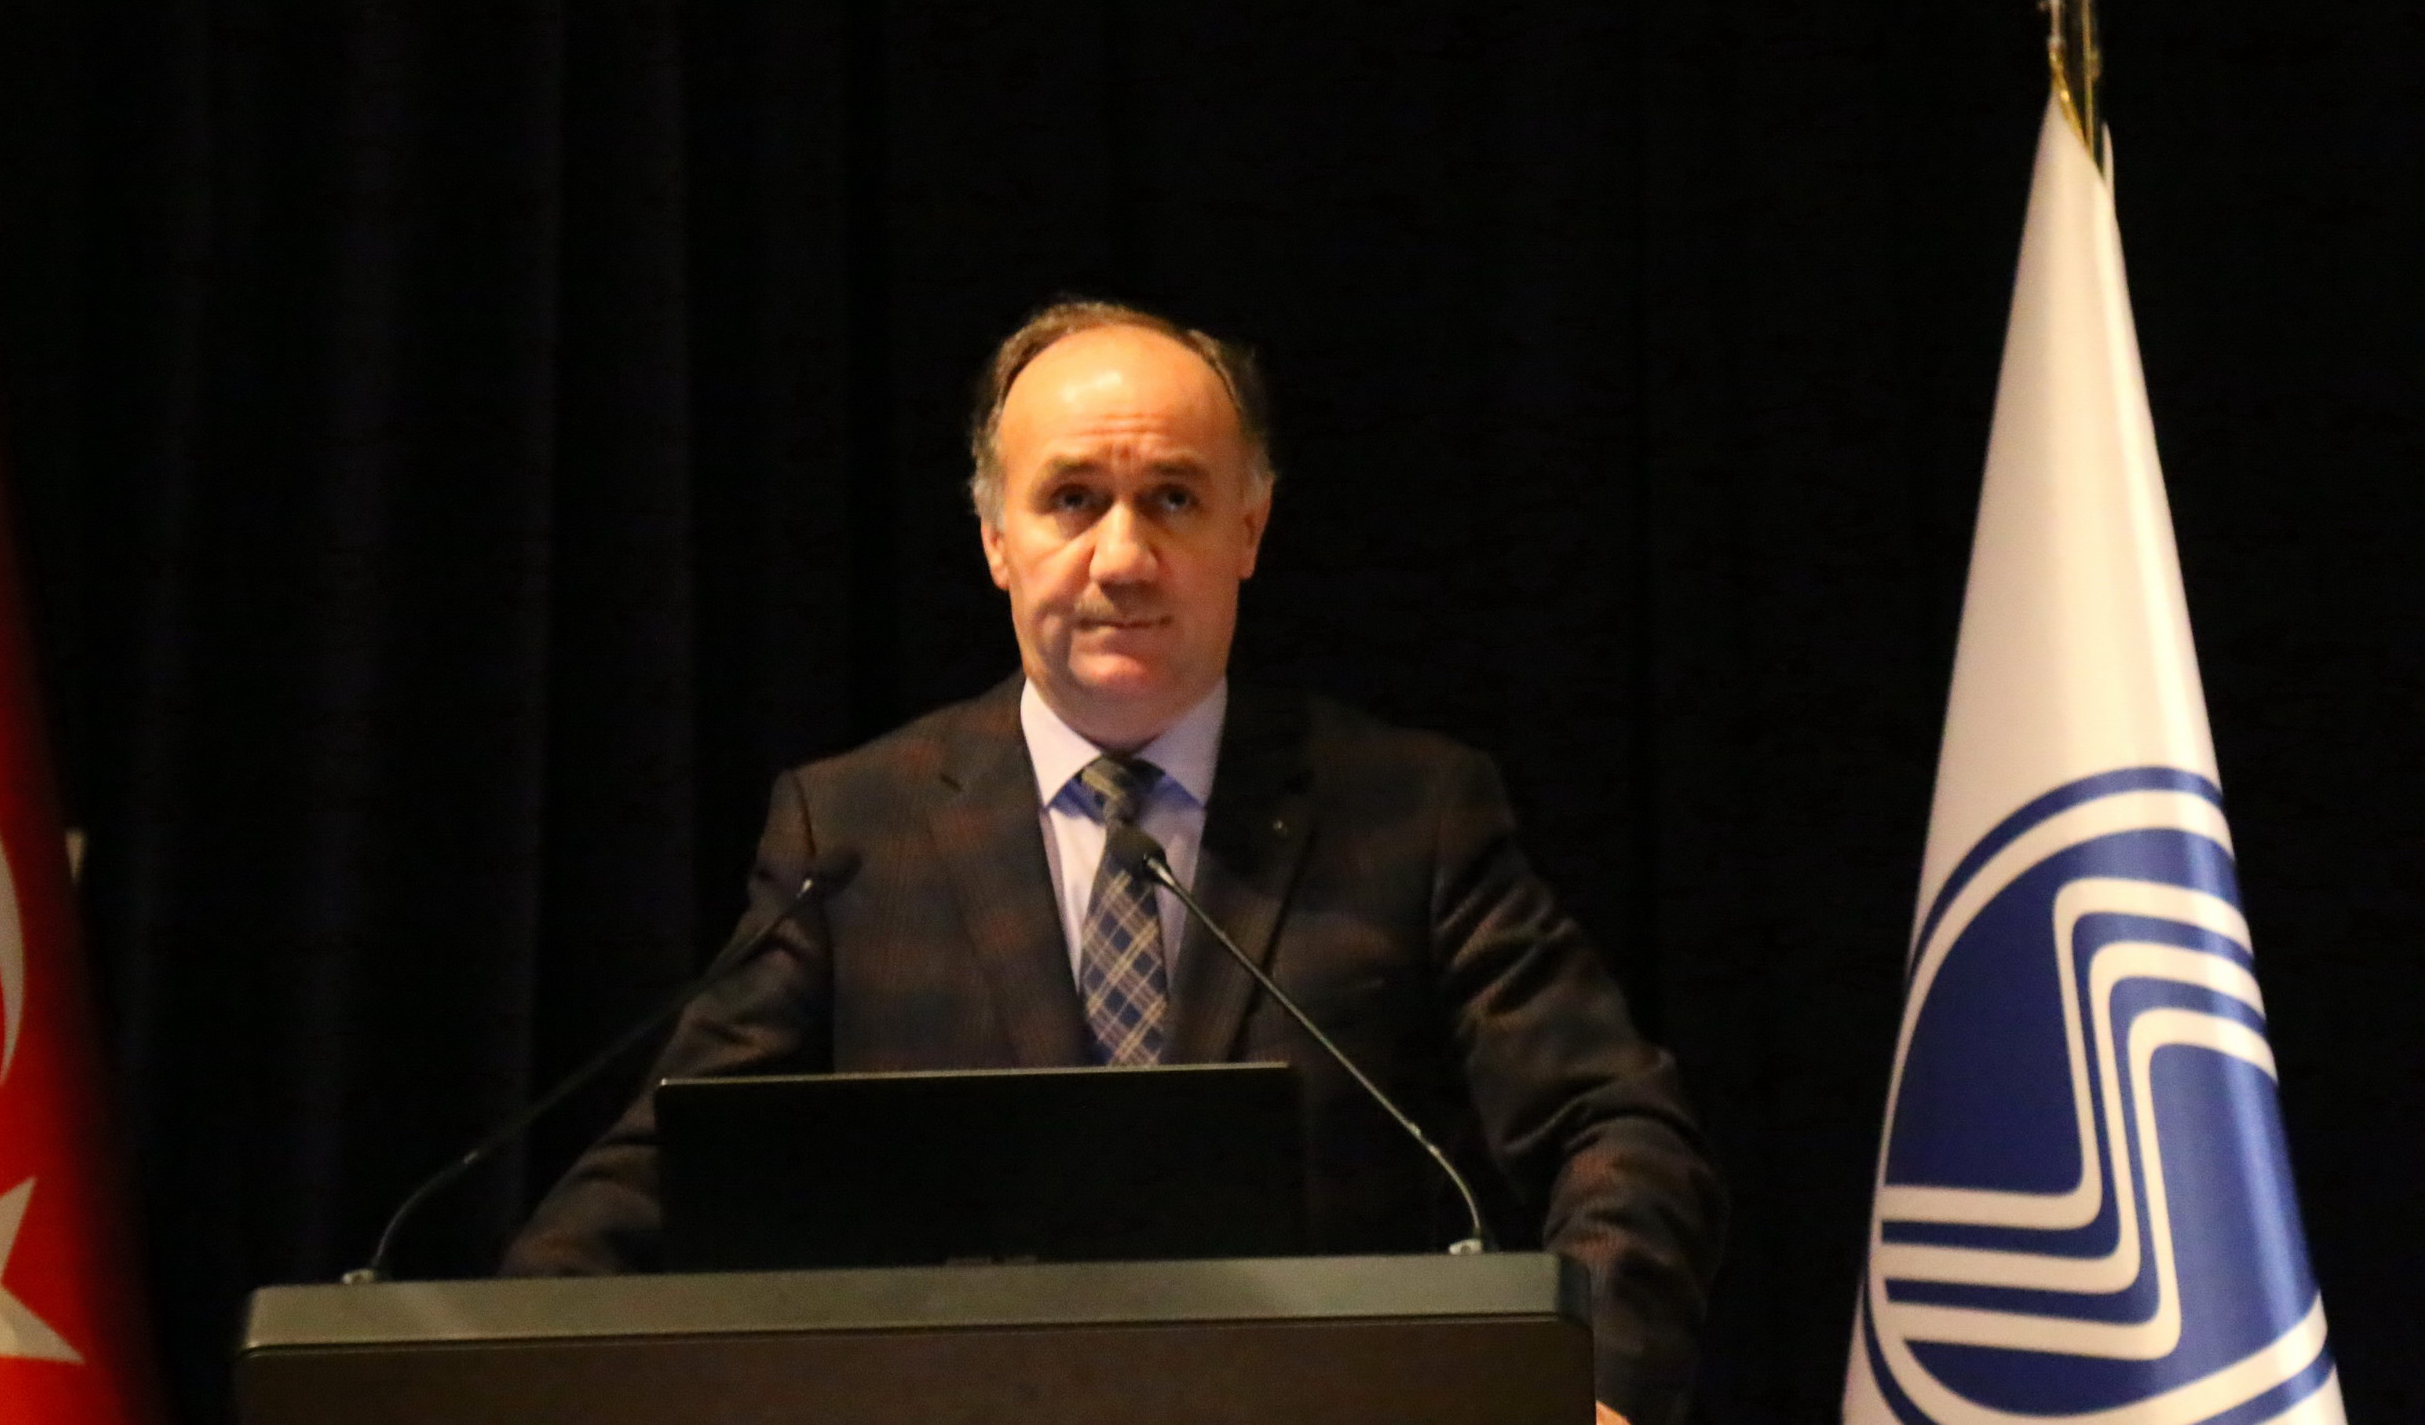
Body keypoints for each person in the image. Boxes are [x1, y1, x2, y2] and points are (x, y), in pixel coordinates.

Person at [505, 298, 1726, 1425]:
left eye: (1174, 498)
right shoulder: (854, 832)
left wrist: (1598, 1387)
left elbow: (1615, 1125)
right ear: (996, 536)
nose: (1124, 556)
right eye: (1073, 499)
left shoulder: (1407, 813)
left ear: (1249, 528)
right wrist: (503, 1366)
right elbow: (663, 1173)